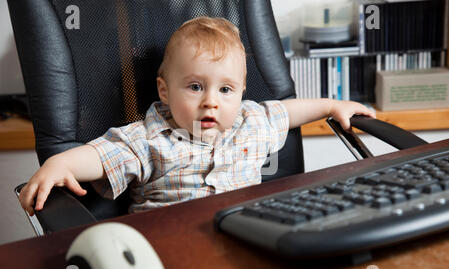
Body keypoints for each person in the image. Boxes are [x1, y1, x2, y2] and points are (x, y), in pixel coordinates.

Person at [19, 16, 375, 216]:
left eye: (225, 90)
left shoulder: (251, 122)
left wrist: (330, 106)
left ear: (240, 93)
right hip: (171, 247)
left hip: (248, 233)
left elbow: (287, 111)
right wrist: (60, 164)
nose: (211, 102)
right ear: (164, 91)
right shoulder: (149, 139)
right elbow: (99, 155)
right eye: (194, 87)